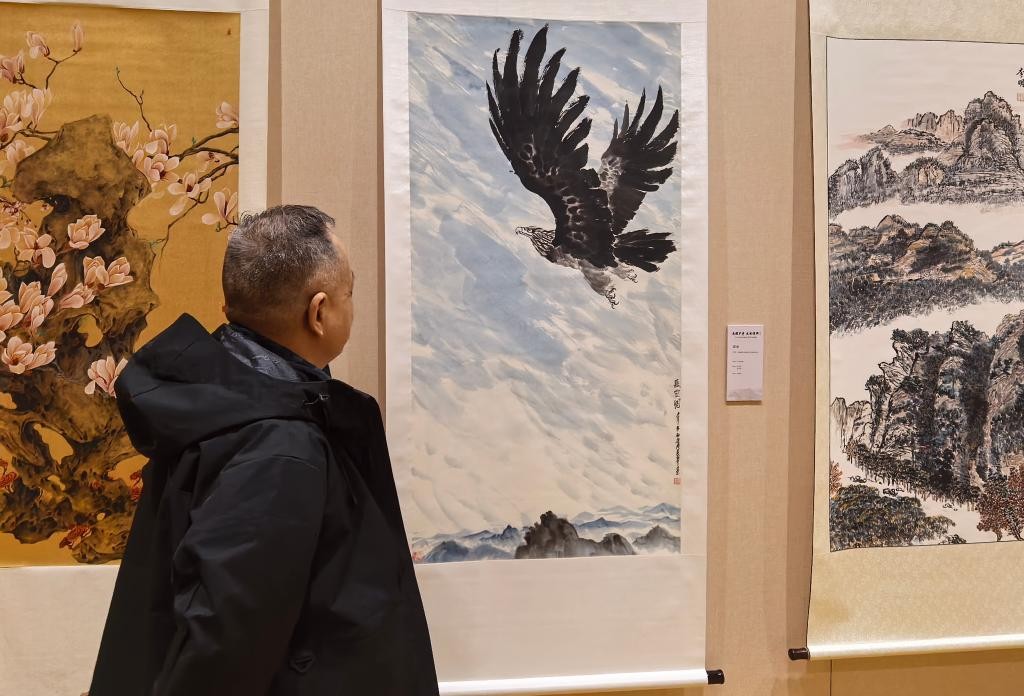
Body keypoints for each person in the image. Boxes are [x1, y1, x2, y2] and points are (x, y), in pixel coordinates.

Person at [89, 205, 439, 695]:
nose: (352, 306)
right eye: (350, 292)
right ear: (319, 312)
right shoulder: (278, 446)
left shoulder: (220, 408)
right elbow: (224, 646)